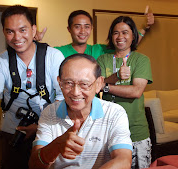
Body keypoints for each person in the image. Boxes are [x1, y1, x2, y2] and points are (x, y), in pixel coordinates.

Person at [0, 5, 65, 169]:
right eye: (10, 31)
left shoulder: (53, 56)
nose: (17, 37)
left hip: (49, 128)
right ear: (4, 32)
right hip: (14, 131)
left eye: (22, 30)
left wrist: (40, 126)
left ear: (33, 29)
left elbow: (63, 96)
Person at [29, 53, 132, 169]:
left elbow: (123, 161)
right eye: (68, 83)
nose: (75, 92)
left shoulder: (114, 113)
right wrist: (56, 146)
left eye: (84, 84)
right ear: (59, 82)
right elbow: (34, 165)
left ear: (98, 84)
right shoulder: (50, 112)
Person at [97, 16, 153, 169]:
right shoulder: (103, 59)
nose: (120, 37)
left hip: (136, 132)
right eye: (115, 33)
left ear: (133, 36)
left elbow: (136, 91)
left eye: (125, 32)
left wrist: (106, 87)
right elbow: (96, 84)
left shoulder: (141, 60)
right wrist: (116, 76)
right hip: (108, 132)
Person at [35, 6, 154, 59]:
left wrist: (145, 28)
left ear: (91, 28)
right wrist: (33, 41)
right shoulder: (59, 52)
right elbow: (37, 56)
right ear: (69, 29)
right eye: (77, 26)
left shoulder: (99, 50)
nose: (82, 31)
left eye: (87, 27)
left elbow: (125, 44)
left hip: (93, 103)